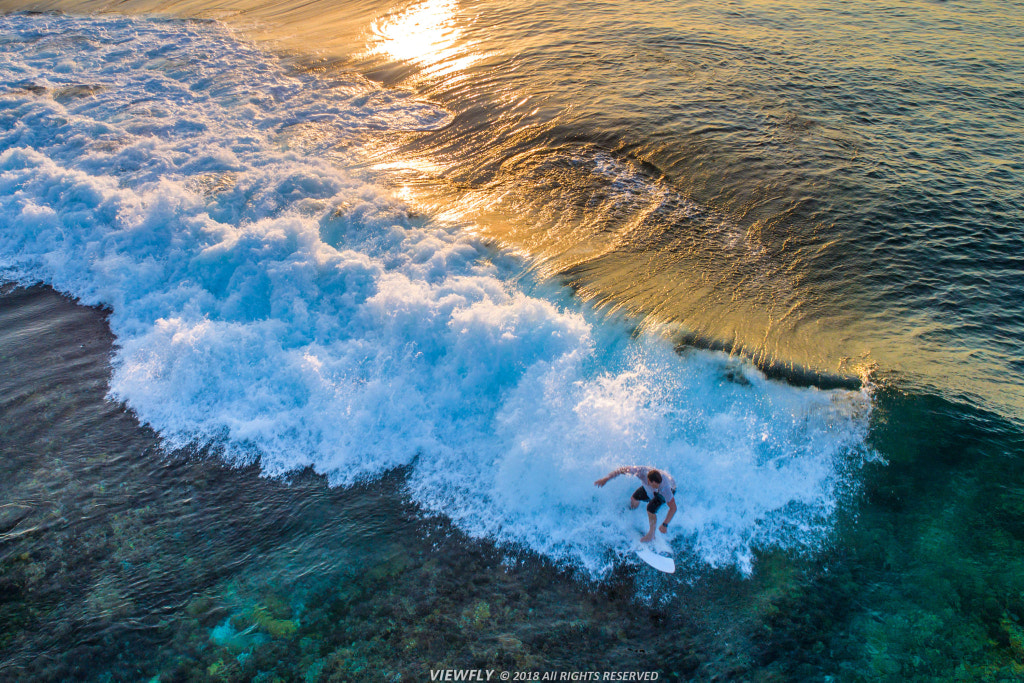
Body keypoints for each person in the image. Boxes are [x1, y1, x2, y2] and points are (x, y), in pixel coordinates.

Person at [594, 466, 677, 542]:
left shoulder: (664, 488)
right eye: (655, 486)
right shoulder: (640, 471)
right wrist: (606, 479)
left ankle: (651, 535)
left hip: (670, 487)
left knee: (651, 508)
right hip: (650, 486)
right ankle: (631, 509)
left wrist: (665, 524)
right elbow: (620, 470)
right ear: (648, 481)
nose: (656, 487)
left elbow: (673, 508)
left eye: (658, 486)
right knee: (634, 499)